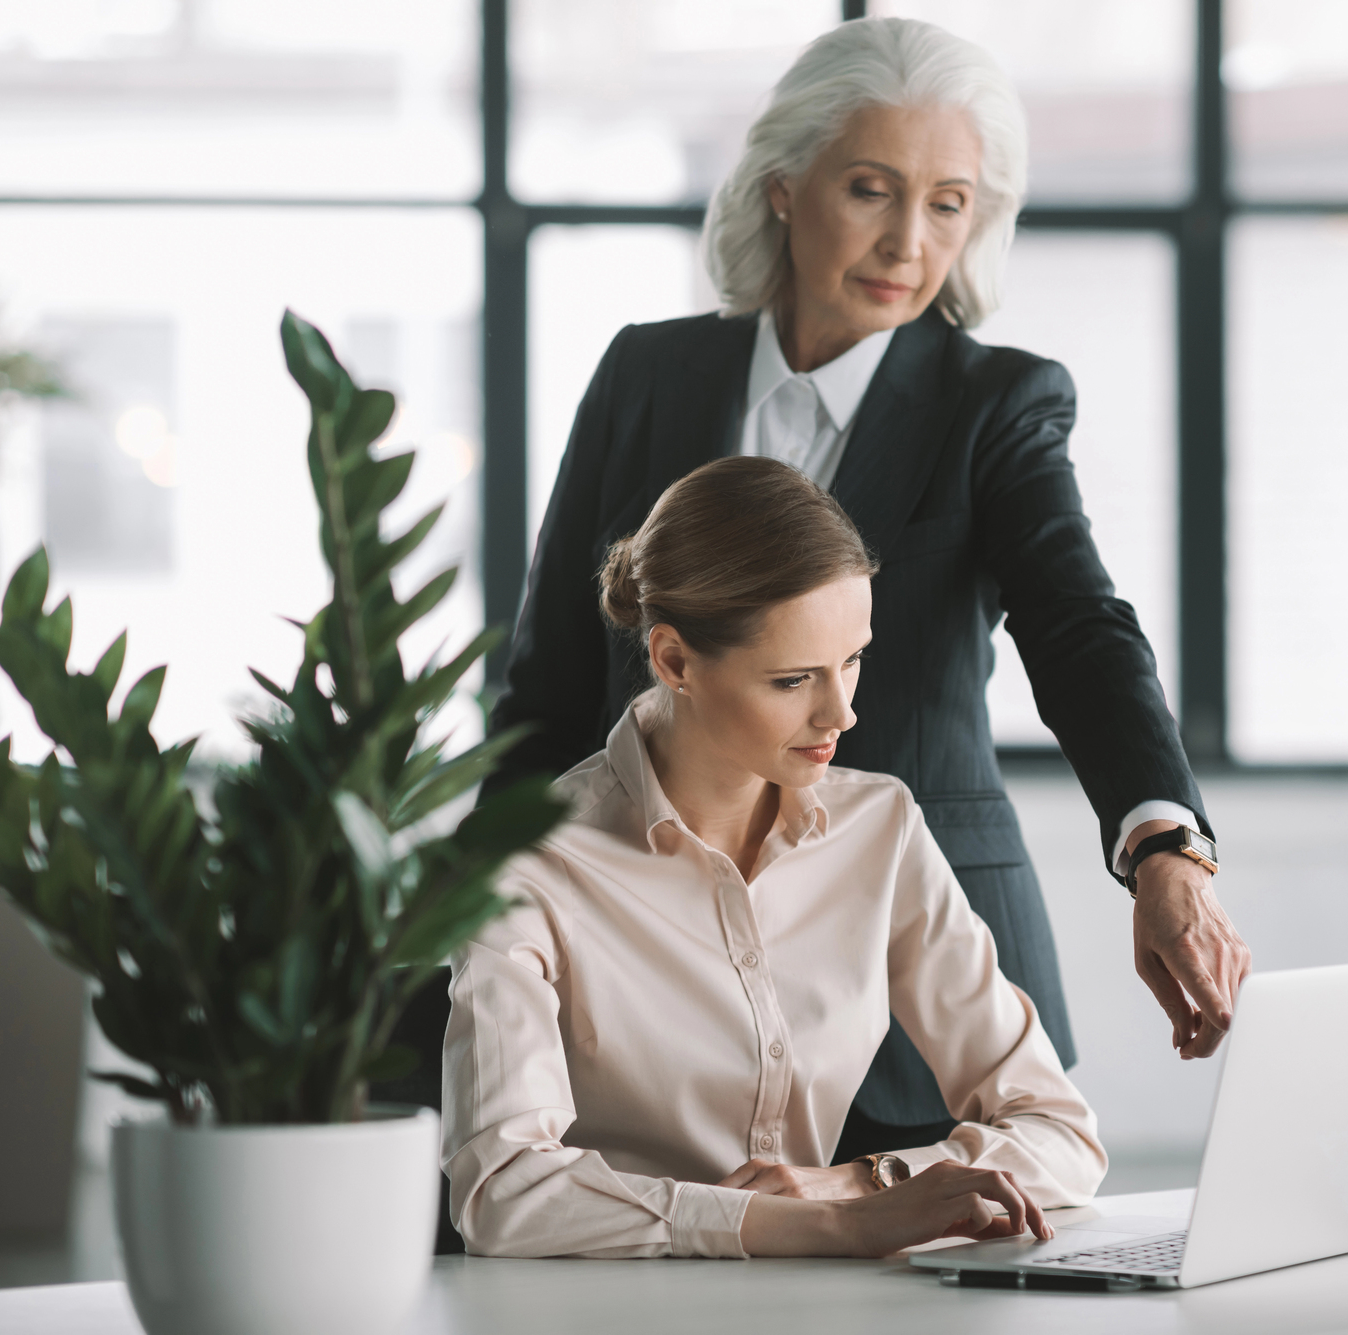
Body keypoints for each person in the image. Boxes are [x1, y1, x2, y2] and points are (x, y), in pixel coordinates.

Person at [485, 17, 1250, 1160]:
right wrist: (465, 925)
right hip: (641, 958)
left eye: (948, 202)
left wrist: (1161, 847)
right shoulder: (646, 375)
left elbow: (1080, 628)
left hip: (910, 982)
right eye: (869, 189)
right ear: (783, 187)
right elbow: (548, 683)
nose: (908, 240)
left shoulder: (996, 404)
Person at [445, 457, 1105, 1258]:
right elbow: (504, 1194)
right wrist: (822, 1225)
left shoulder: (880, 826)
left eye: (853, 659)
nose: (843, 712)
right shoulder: (529, 866)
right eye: (794, 679)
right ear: (675, 661)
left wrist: (857, 1183)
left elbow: (1062, 1134)